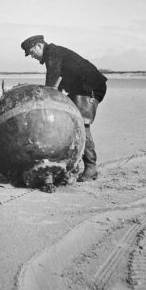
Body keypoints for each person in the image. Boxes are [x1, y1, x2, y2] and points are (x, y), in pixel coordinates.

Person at [21, 35, 107, 182]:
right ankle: (75, 164)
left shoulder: (52, 52)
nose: (32, 56)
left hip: (90, 88)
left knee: (81, 125)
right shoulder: (54, 54)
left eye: (32, 52)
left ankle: (91, 167)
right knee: (71, 123)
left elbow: (52, 79)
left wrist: (46, 99)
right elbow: (58, 81)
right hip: (81, 88)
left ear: (39, 46)